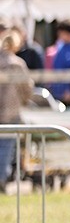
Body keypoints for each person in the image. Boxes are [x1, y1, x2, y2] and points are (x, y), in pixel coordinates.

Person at [0, 30, 34, 192]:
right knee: (6, 147)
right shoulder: (17, 64)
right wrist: (25, 100)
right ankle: (1, 178)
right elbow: (27, 87)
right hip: (10, 110)